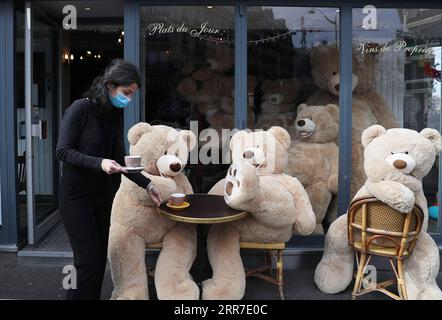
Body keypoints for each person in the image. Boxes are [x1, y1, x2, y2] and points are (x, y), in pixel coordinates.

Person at [56, 59, 161, 300]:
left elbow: (120, 160)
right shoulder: (79, 108)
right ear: (109, 85)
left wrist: (149, 184)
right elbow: (62, 150)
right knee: (88, 262)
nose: (129, 99)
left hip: (102, 197)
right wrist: (98, 162)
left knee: (98, 261)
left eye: (132, 94)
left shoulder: (113, 114)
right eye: (126, 92)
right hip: (76, 198)